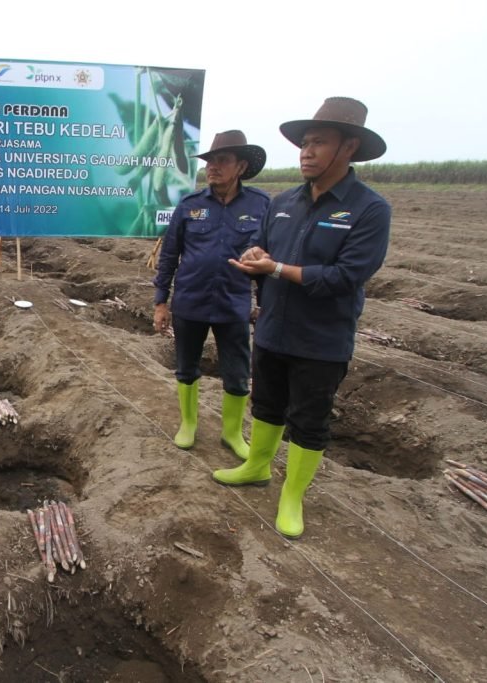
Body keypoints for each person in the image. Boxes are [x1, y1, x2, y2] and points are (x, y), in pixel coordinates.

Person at [214, 97, 391, 539]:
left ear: (349, 148)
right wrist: (256, 254)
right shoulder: (284, 201)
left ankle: (292, 495)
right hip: (274, 328)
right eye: (304, 143)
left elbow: (346, 276)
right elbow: (260, 245)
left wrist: (274, 269)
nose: (306, 152)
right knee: (268, 405)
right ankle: (256, 466)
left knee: (309, 419)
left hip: (322, 338)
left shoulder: (368, 209)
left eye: (319, 143)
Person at [153, 131, 269, 459]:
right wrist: (161, 302)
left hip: (233, 305)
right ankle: (188, 423)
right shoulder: (190, 206)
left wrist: (265, 304)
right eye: (210, 161)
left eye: (222, 161)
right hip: (190, 302)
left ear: (241, 165)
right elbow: (169, 255)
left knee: (236, 371)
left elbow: (268, 256)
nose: (213, 167)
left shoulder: (260, 205)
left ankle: (232, 433)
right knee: (186, 367)